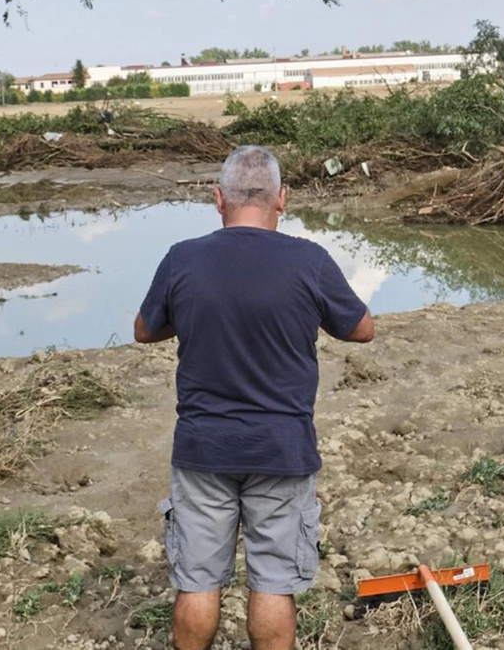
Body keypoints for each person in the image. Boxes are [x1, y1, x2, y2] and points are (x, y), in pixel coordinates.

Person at [134, 145, 375, 650]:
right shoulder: (309, 260)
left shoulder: (183, 258)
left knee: (198, 581)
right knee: (273, 583)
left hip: (204, 449)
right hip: (282, 450)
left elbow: (144, 330)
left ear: (217, 198)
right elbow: (361, 329)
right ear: (281, 199)